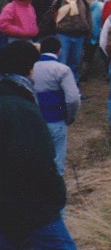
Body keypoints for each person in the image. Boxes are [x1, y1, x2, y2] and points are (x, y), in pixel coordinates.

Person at [0, 41, 89, 250]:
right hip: (35, 204)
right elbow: (40, 159)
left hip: (3, 206)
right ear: (27, 70)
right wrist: (56, 194)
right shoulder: (22, 107)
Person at [31, 37, 82, 176]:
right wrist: (69, 117)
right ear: (59, 51)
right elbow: (73, 99)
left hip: (35, 119)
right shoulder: (62, 70)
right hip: (56, 118)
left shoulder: (30, 68)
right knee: (57, 158)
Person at [50, 0, 91, 83]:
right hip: (63, 35)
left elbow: (88, 17)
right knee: (62, 62)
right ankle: (60, 86)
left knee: (76, 63)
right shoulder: (60, 1)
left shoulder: (83, 1)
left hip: (79, 36)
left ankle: (74, 86)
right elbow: (52, 16)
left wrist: (88, 32)